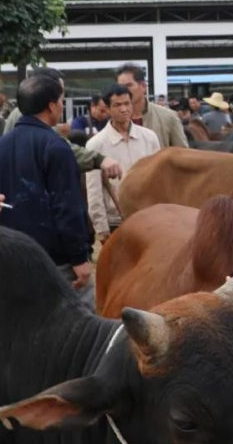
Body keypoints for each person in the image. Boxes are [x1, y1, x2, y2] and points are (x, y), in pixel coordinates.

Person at [0, 73, 93, 294]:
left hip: (10, 255)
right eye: (61, 101)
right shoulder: (57, 147)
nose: (61, 106)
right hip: (54, 262)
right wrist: (80, 258)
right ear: (51, 106)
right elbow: (67, 207)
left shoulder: (2, 144)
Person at [85, 85, 160, 245]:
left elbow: (159, 180)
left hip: (148, 217)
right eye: (117, 105)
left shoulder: (149, 138)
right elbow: (94, 191)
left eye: (127, 103)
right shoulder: (96, 144)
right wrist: (102, 230)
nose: (124, 109)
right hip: (116, 221)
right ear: (108, 109)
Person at [115, 63, 188, 148]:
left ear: (143, 86)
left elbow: (183, 154)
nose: (124, 91)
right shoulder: (113, 119)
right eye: (120, 87)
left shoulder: (168, 117)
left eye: (129, 85)